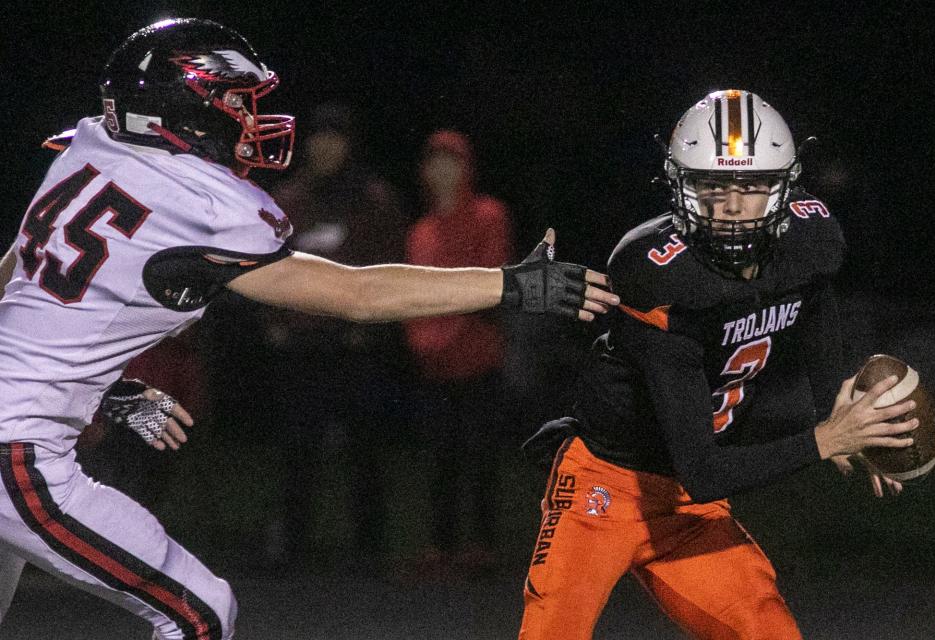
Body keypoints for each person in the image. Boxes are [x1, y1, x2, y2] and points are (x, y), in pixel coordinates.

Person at [0, 18, 617, 640]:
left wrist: (99, 382)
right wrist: (510, 283)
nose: (246, 117)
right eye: (234, 100)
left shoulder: (90, 149)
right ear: (182, 108)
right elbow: (354, 292)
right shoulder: (201, 204)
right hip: (17, 448)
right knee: (199, 613)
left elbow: (16, 284)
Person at [517, 90, 918, 640]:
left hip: (682, 507)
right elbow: (704, 472)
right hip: (604, 485)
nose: (731, 205)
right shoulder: (662, 275)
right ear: (683, 187)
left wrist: (838, 400)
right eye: (712, 185)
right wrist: (826, 438)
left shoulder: (810, 239)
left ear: (782, 188)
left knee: (769, 632)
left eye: (750, 186)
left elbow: (815, 301)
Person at [264, 101, 410, 566]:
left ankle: (370, 548)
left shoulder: (375, 199)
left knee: (365, 449)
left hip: (355, 348)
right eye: (318, 137)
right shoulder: (289, 198)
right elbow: (262, 262)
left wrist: (371, 330)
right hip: (302, 348)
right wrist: (274, 324)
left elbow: (394, 263)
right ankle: (290, 545)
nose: (326, 146)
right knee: (296, 449)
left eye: (336, 137)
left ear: (350, 145)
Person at [404, 130, 514, 567]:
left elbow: (489, 280)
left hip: (479, 358)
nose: (443, 171)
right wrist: (422, 342)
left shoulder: (490, 215)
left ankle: (481, 547)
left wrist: (444, 332)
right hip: (434, 364)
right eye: (435, 163)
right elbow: (411, 292)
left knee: (482, 455)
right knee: (440, 457)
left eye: (451, 161)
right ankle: (440, 546)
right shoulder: (421, 231)